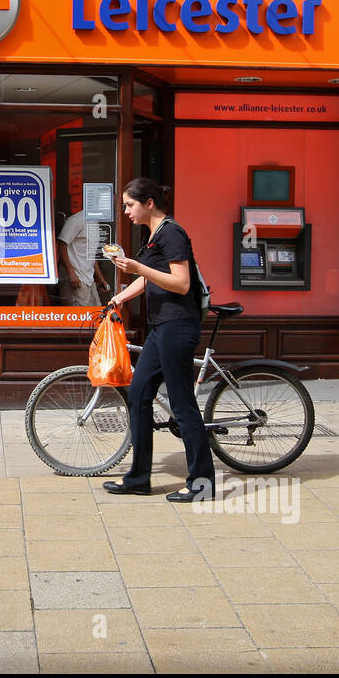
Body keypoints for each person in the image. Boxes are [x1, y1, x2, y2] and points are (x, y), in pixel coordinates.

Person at [105, 178, 215, 502]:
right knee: (138, 395)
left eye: (129, 205)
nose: (125, 211)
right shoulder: (154, 235)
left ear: (149, 202)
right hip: (160, 327)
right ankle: (139, 478)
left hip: (178, 326)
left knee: (183, 405)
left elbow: (181, 283)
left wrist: (138, 265)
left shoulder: (172, 233)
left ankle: (202, 484)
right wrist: (120, 297)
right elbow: (148, 278)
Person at [57, 209, 110, 306]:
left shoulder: (95, 222)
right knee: (80, 318)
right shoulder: (78, 219)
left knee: (96, 315)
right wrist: (71, 273)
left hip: (88, 280)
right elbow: (61, 245)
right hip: (76, 280)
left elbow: (91, 254)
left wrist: (101, 279)